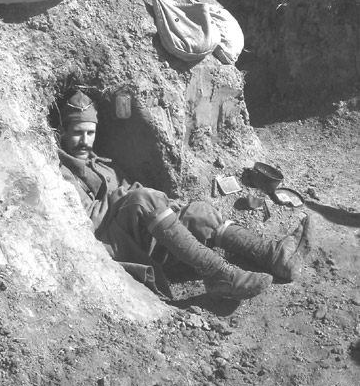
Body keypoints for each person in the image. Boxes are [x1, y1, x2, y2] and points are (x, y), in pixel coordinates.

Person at [58, 91, 311, 300]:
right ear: (64, 132)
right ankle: (218, 274)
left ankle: (273, 254)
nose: (85, 141)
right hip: (114, 243)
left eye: (90, 133)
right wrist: (132, 196)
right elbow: (89, 219)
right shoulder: (61, 174)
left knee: (198, 211)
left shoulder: (104, 165)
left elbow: (131, 194)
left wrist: (166, 205)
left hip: (139, 232)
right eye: (78, 133)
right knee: (143, 198)